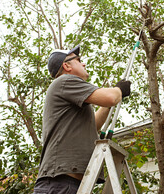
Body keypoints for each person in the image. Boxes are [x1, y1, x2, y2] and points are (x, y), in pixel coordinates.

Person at [33, 45, 131, 194]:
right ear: (66, 66)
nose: (84, 63)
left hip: (72, 184)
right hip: (60, 183)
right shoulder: (65, 81)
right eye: (79, 60)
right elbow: (111, 97)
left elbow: (94, 125)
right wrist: (118, 90)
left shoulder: (70, 92)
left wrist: (111, 100)